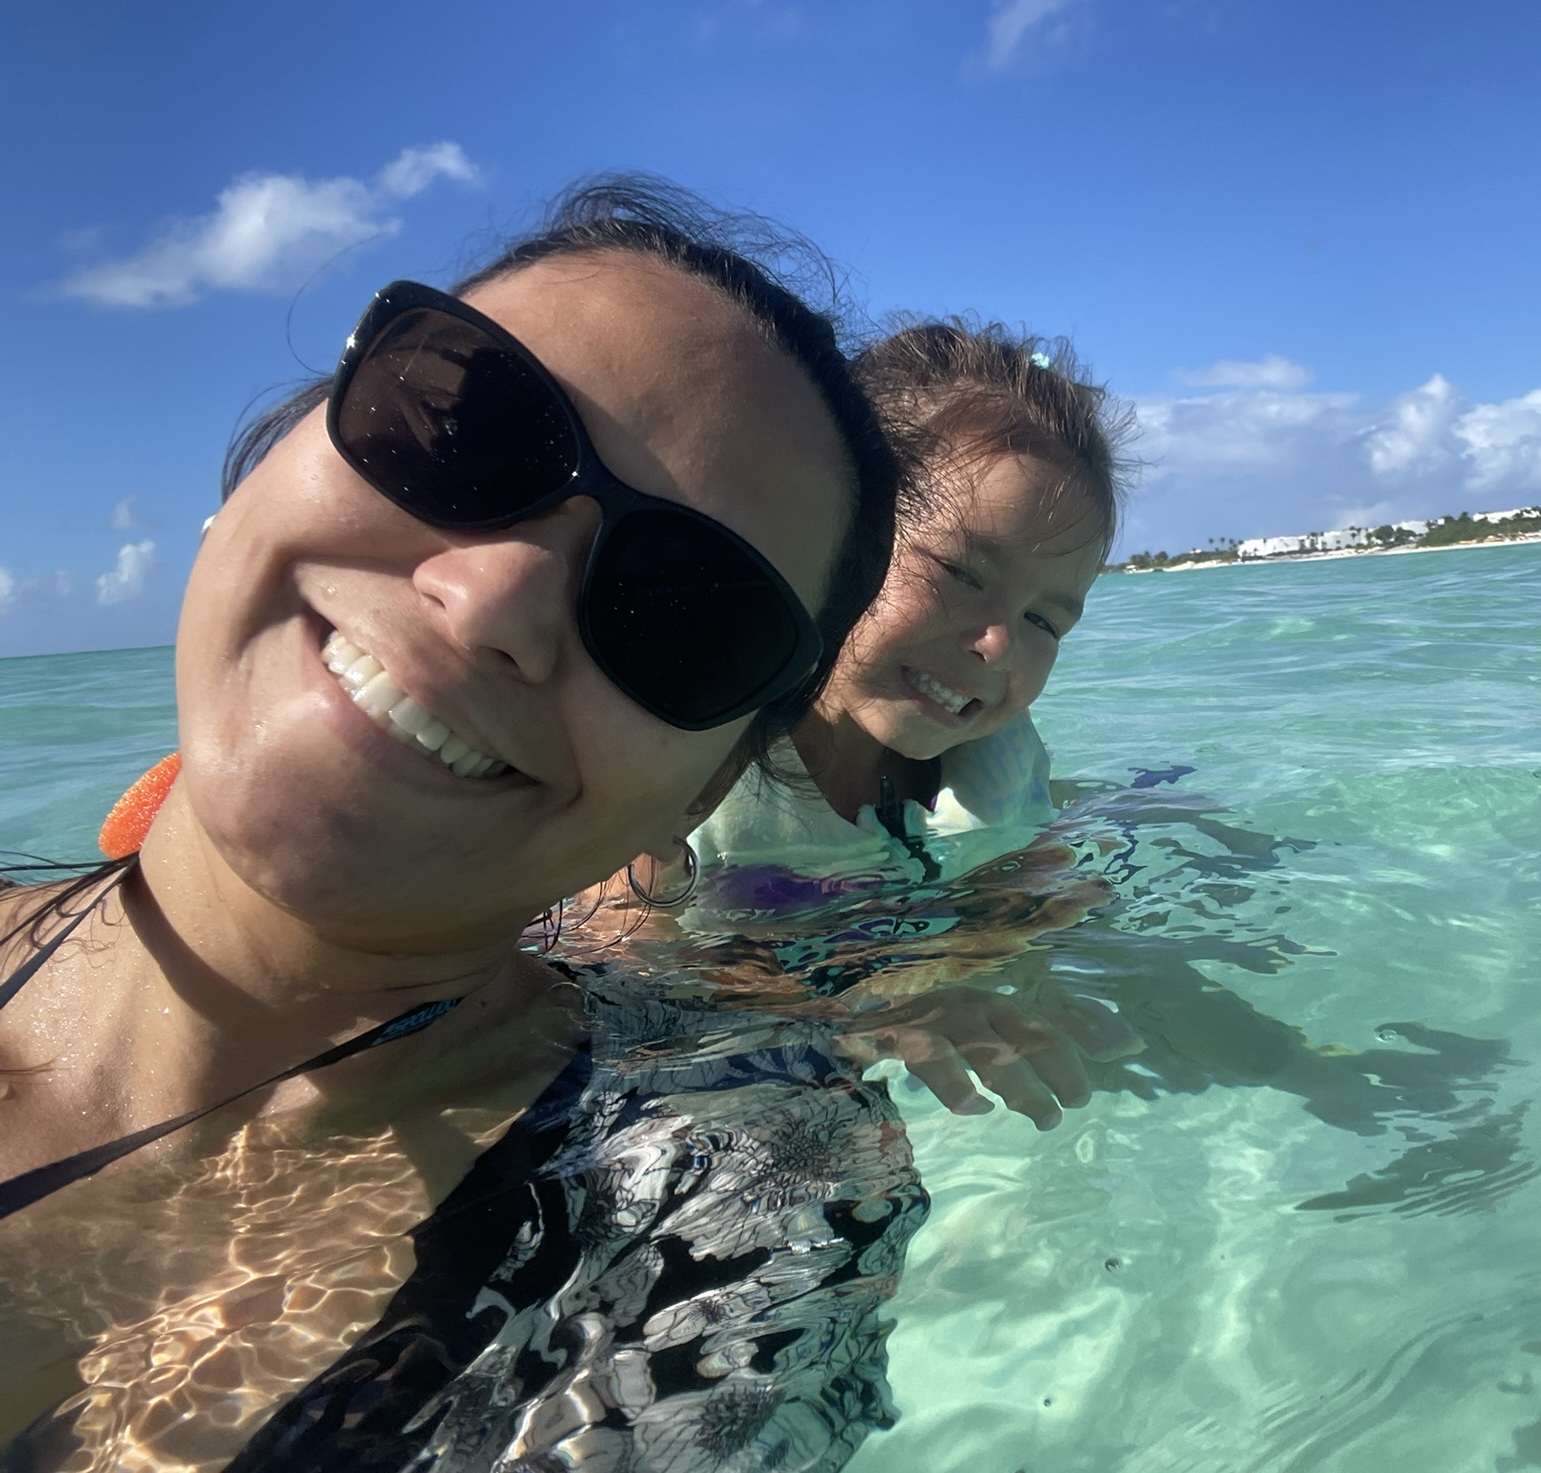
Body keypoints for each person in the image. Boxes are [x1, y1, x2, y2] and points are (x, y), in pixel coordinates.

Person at [0, 178, 926, 1472]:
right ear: (281, 442)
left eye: (685, 611)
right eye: (460, 429)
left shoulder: (729, 1205)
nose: (494, 597)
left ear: (711, 784)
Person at [672, 320, 1144, 1133]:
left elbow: (1025, 884)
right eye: (961, 573)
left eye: (1045, 620)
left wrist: (1004, 931)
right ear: (830, 529)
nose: (998, 645)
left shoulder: (995, 756)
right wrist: (856, 1016)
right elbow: (625, 970)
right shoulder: (697, 751)